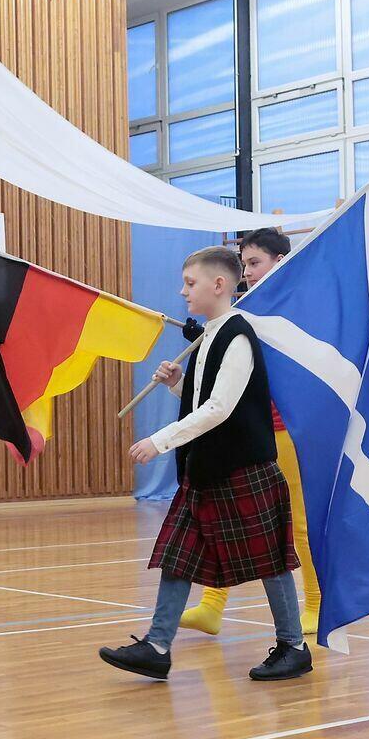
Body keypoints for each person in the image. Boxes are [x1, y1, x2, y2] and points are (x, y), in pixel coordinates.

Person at [98, 245, 311, 682]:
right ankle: (157, 646)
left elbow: (220, 409)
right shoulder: (210, 336)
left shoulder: (237, 335)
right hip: (206, 470)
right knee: (177, 556)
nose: (183, 292)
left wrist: (159, 441)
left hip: (243, 468)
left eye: (190, 283)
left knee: (270, 561)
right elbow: (203, 400)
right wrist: (178, 384)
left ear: (218, 285)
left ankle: (294, 646)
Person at [177, 228, 322, 637]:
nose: (248, 272)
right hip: (248, 430)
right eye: (243, 265)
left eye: (255, 263)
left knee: (296, 522)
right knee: (222, 514)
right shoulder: (246, 311)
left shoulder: (292, 311)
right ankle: (211, 606)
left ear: (280, 262)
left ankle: (316, 601)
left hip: (285, 429)